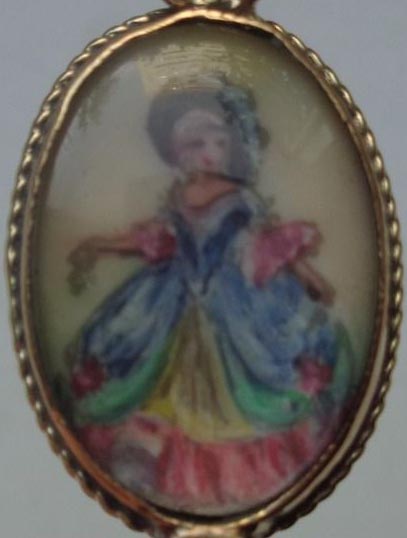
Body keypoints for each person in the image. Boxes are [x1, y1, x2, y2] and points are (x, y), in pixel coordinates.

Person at [66, 79, 355, 514]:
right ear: (174, 152)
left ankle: (233, 478)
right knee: (150, 369)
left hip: (236, 306)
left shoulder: (238, 197)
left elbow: (264, 243)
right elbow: (157, 238)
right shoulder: (178, 197)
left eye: (220, 142)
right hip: (174, 301)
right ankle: (146, 455)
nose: (210, 153)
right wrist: (100, 245)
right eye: (196, 143)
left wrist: (309, 276)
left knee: (250, 377)